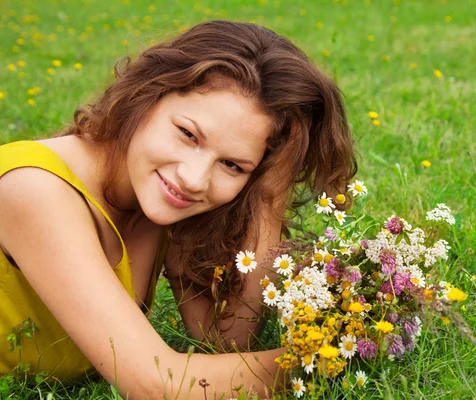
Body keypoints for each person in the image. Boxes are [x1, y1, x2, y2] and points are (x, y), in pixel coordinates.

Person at [0, 20, 356, 399]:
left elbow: (224, 342)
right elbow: (156, 384)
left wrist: (270, 192)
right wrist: (325, 356)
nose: (194, 178)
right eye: (188, 134)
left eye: (233, 165)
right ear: (147, 95)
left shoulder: (163, 201)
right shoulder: (32, 189)